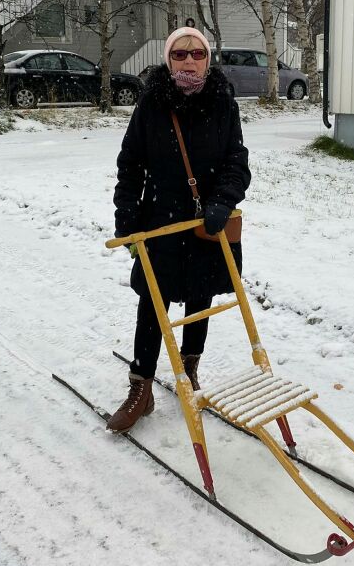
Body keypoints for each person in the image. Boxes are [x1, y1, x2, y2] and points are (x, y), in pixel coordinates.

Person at [108, 27, 251, 433]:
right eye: (180, 54)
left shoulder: (223, 102)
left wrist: (223, 200)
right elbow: (131, 162)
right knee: (153, 302)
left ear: (208, 59)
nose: (189, 60)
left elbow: (236, 161)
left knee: (199, 300)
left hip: (208, 223)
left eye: (197, 53)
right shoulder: (152, 103)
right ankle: (142, 386)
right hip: (162, 222)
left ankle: (189, 369)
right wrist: (126, 213)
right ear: (169, 60)